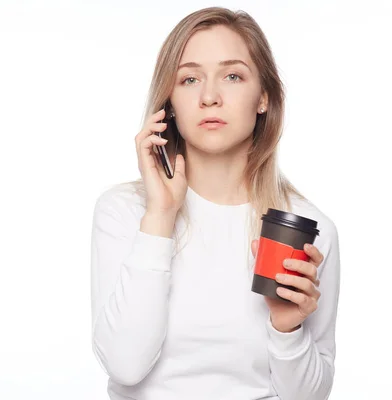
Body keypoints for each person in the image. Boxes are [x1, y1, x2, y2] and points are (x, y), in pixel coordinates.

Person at [90, 6, 341, 400]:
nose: (209, 96)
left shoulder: (304, 226)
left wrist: (287, 329)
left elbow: (310, 397)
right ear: (169, 102)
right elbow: (125, 365)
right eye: (189, 79)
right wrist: (160, 216)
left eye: (232, 76)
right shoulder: (124, 211)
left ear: (264, 98)